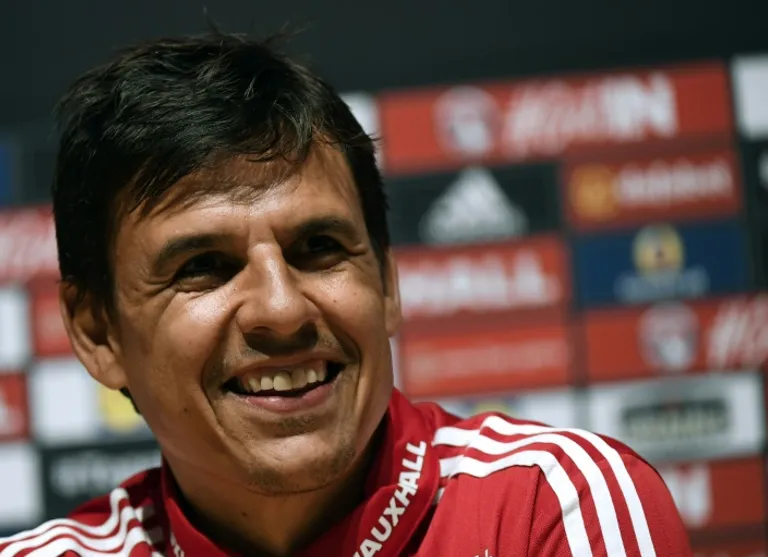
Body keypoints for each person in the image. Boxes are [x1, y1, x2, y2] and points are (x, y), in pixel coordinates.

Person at [0, 31, 692, 557]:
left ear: (386, 282)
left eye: (319, 248)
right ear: (98, 333)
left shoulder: (552, 508)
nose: (282, 309)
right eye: (205, 266)